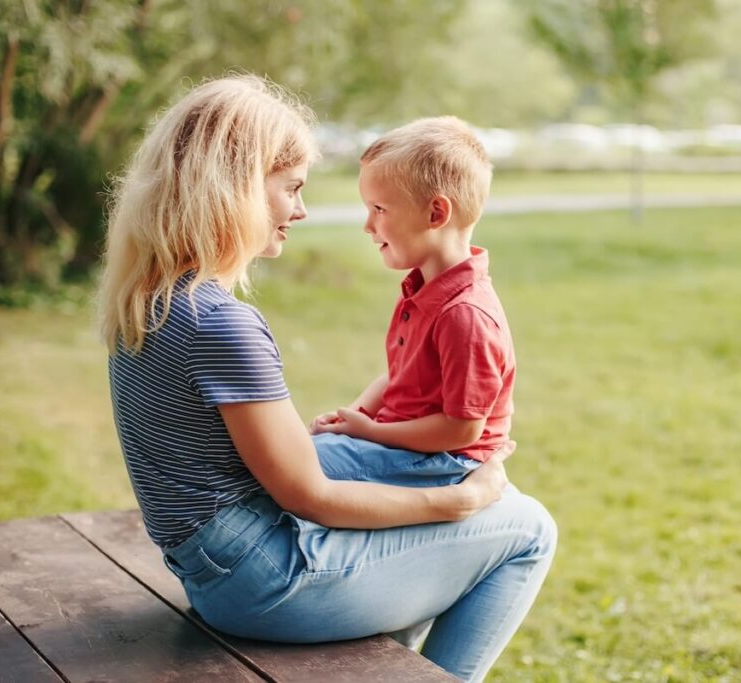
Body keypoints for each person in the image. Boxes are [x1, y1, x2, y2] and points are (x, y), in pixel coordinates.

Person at [97, 75, 556, 682]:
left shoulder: (149, 300)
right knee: (529, 528)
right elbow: (308, 496)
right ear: (234, 188)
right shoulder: (221, 324)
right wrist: (456, 500)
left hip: (214, 570)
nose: (302, 209)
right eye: (290, 188)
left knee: (380, 491)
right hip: (263, 583)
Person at [309, 117, 515, 492]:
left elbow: (463, 428)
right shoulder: (426, 290)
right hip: (408, 445)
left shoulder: (465, 314)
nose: (368, 225)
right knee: (300, 454)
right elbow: (401, 374)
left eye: (379, 209)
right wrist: (355, 415)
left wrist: (373, 433)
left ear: (436, 214)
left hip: (447, 461)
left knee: (296, 465)